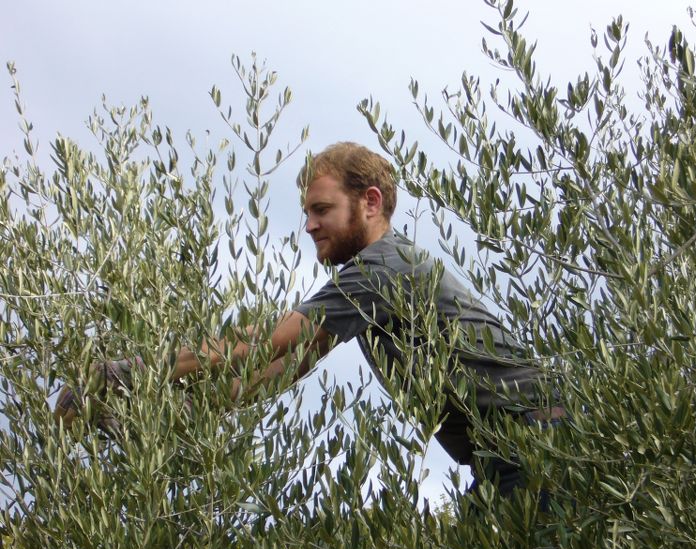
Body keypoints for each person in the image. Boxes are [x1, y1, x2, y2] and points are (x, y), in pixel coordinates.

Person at [55, 142, 564, 497]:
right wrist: (159, 416)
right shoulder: (370, 289)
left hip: (541, 444)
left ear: (370, 203)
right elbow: (277, 372)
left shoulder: (384, 268)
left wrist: (131, 373)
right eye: (307, 212)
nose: (309, 225)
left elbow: (266, 343)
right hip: (510, 457)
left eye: (321, 208)